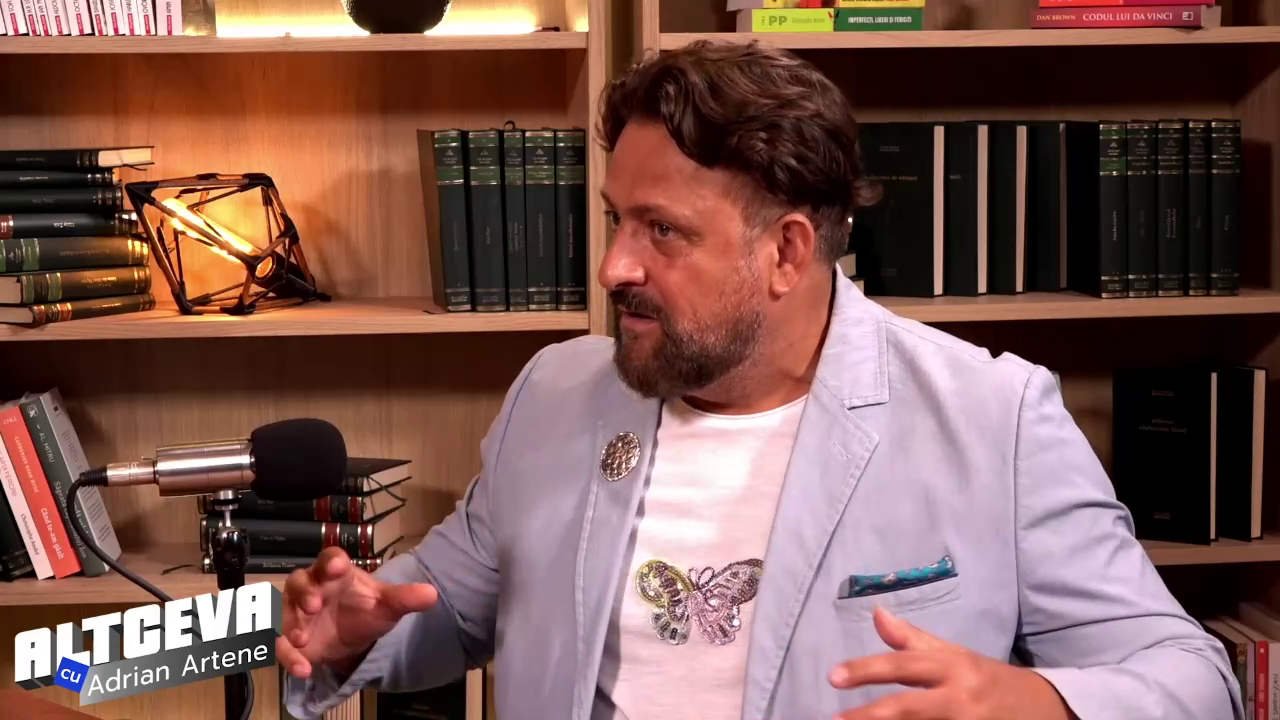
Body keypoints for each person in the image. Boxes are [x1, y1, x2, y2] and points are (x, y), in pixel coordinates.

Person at [279, 40, 1242, 720]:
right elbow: (444, 608)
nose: (613, 267)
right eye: (617, 219)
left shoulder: (995, 417)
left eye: (662, 230)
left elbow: (1194, 679)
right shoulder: (553, 393)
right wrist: (351, 635)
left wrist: (1040, 702)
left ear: (785, 252)